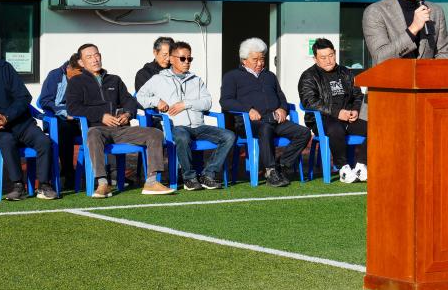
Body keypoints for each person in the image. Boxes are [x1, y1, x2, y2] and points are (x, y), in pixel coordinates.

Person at [65, 43, 174, 198]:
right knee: (93, 133)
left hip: (122, 129)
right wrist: (101, 116)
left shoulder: (114, 80)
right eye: (89, 57)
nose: (94, 59)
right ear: (81, 63)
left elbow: (130, 101)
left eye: (96, 55)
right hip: (97, 129)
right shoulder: (76, 82)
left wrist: (128, 114)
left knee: (155, 133)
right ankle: (103, 183)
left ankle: (151, 181)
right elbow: (73, 108)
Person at [137, 41, 235, 191]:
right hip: (176, 127)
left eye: (190, 59)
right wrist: (156, 101)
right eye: (183, 58)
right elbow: (140, 97)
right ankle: (189, 178)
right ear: (171, 59)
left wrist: (185, 104)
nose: (187, 62)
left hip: (199, 126)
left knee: (229, 136)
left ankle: (207, 174)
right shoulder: (159, 79)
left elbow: (207, 102)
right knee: (182, 136)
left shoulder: (196, 80)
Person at [220, 37, 310, 187]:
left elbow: (281, 96)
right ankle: (270, 171)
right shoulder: (232, 76)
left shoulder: (270, 76)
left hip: (275, 120)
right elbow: (226, 101)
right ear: (244, 60)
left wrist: (283, 108)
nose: (260, 63)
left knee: (304, 132)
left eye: (262, 59)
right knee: (265, 128)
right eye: (255, 59)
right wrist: (247, 110)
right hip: (249, 123)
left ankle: (282, 165)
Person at [298, 38, 367, 183]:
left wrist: (355, 109)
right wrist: (337, 113)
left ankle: (361, 164)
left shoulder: (346, 72)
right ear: (315, 58)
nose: (328, 60)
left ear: (335, 53)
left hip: (348, 117)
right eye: (323, 57)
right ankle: (343, 168)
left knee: (376, 126)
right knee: (336, 129)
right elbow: (310, 102)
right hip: (323, 119)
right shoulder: (308, 76)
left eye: (331, 55)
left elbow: (358, 94)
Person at [0, 58, 58, 201]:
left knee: (44, 142)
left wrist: (6, 117)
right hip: (1, 130)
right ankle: (18, 186)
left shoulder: (4, 67)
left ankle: (44, 185)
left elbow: (24, 97)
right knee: (6, 142)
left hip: (23, 123)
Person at [37, 52, 82, 190]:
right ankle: (68, 173)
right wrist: (65, 112)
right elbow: (45, 101)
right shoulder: (55, 75)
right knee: (64, 129)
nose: (82, 75)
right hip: (57, 119)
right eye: (80, 72)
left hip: (80, 118)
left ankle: (105, 174)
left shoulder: (87, 78)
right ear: (70, 68)